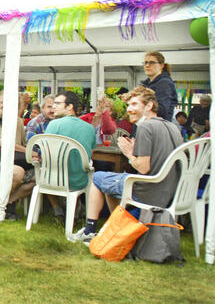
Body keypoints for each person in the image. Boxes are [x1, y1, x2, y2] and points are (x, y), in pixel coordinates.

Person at [73, 87, 183, 243]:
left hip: (149, 191)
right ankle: (117, 227)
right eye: (129, 105)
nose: (129, 110)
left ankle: (89, 232)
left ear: (149, 106)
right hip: (171, 192)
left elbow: (143, 168)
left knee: (97, 178)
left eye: (134, 104)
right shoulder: (173, 127)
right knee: (109, 182)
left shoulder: (146, 127)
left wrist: (128, 153)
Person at [44, 91, 97, 193]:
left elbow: (46, 154)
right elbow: (90, 155)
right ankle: (75, 206)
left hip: (51, 180)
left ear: (69, 107)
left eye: (58, 103)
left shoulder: (53, 124)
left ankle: (56, 207)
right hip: (80, 182)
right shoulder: (90, 128)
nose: (53, 107)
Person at [141, 51, 177, 121]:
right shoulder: (146, 84)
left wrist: (140, 105)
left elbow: (161, 110)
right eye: (145, 62)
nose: (147, 65)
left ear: (161, 65)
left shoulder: (164, 83)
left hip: (156, 127)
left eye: (152, 62)